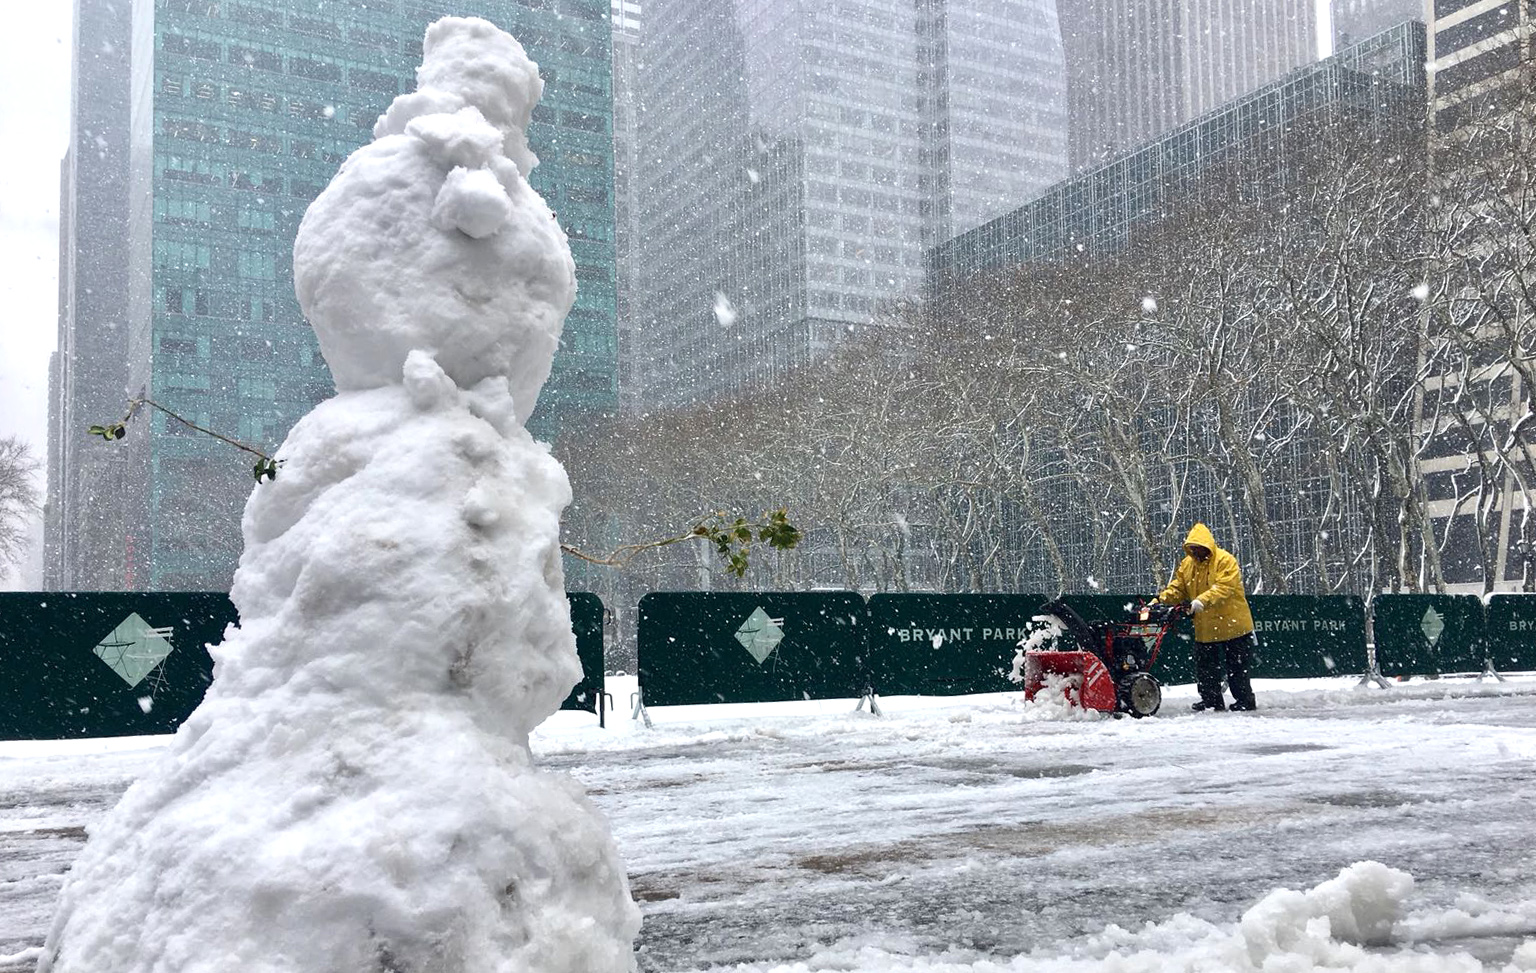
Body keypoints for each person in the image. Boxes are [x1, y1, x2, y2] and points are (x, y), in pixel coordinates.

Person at [1156, 523, 1258, 712]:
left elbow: (1224, 587)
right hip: (1206, 627)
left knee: (1237, 667)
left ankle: (1245, 700)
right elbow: (1179, 587)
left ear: (1207, 547)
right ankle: (1211, 700)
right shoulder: (1188, 565)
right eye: (1192, 549)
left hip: (1233, 624)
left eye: (1198, 548)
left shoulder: (1224, 560)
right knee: (1206, 668)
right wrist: (1161, 599)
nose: (1195, 552)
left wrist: (1200, 601)